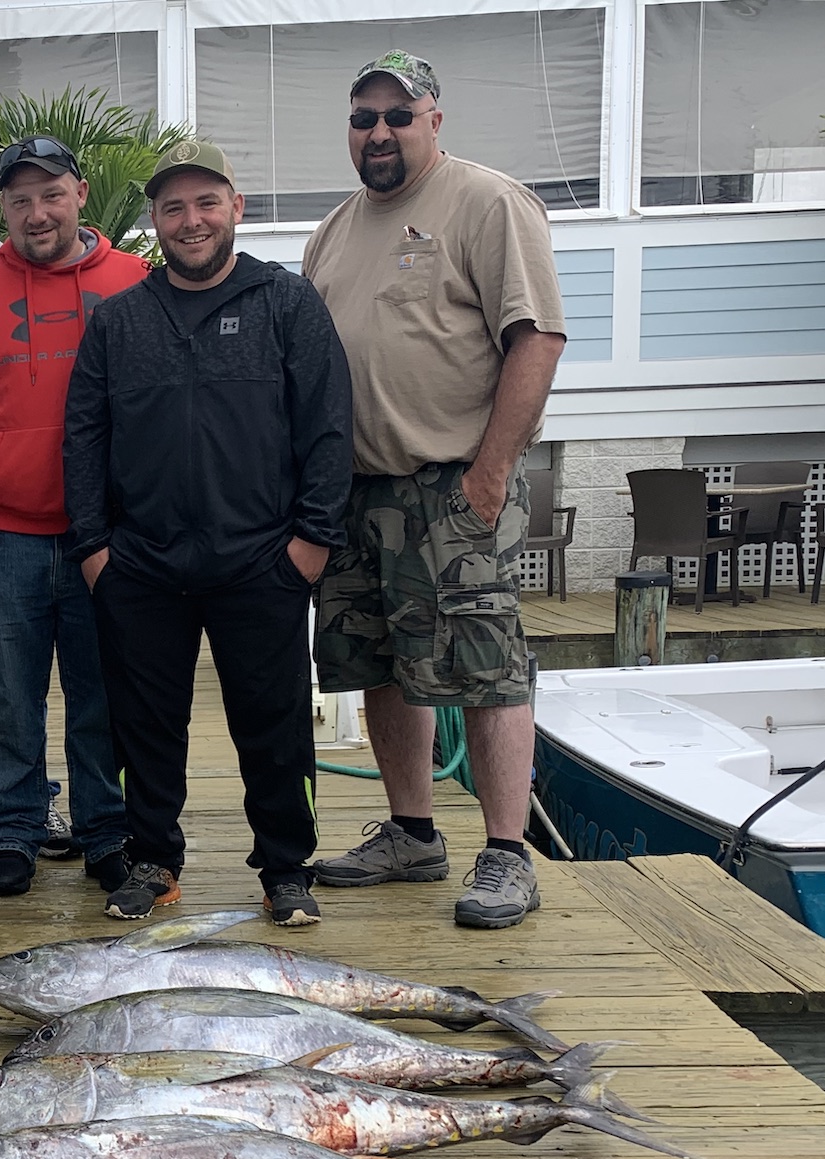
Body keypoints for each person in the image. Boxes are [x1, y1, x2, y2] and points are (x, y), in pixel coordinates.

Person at [301, 52, 567, 930]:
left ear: (434, 121)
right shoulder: (333, 232)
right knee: (375, 663)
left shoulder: (487, 202)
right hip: (355, 490)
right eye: (362, 117)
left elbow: (536, 339)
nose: (379, 132)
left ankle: (507, 854)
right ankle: (412, 834)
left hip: (455, 481)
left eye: (398, 115)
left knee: (488, 669)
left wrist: (492, 472)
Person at [63, 140, 353, 925]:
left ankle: (286, 868)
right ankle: (152, 859)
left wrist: (310, 545)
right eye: (173, 208)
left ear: (237, 208)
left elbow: (328, 429)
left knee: (275, 726)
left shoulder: (287, 305)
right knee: (144, 725)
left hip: (262, 559)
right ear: (154, 221)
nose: (191, 221)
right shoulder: (120, 321)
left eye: (206, 203)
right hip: (143, 566)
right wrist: (95, 550)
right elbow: (83, 439)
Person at [0, 136, 146, 898]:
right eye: (19, 200)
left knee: (101, 696)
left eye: (50, 194)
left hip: (105, 538)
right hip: (2, 533)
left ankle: (105, 830)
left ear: (80, 194)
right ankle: (15, 828)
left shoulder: (133, 283)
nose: (36, 212)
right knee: (6, 697)